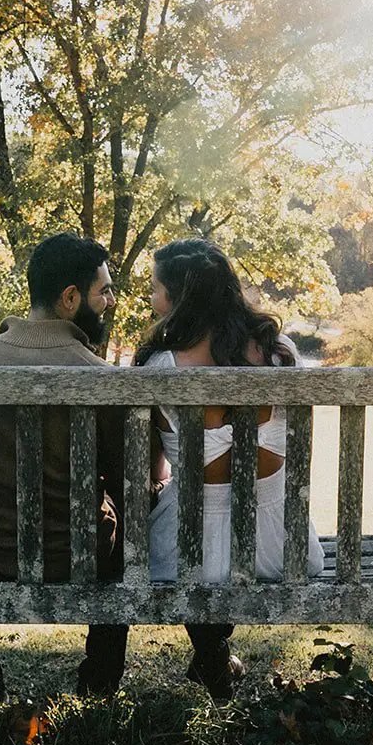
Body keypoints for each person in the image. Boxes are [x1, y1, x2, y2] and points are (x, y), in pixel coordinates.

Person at [0, 233, 127, 701]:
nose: (110, 301)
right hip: (84, 553)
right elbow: (126, 480)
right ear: (70, 298)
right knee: (127, 530)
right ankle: (98, 684)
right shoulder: (105, 380)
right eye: (104, 291)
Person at [136, 238, 325, 700]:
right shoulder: (279, 352)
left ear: (179, 299)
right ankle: (214, 657)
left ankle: (212, 653)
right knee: (212, 550)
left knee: (193, 548)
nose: (152, 298)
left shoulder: (159, 367)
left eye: (156, 289)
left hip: (188, 551)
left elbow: (151, 470)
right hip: (281, 544)